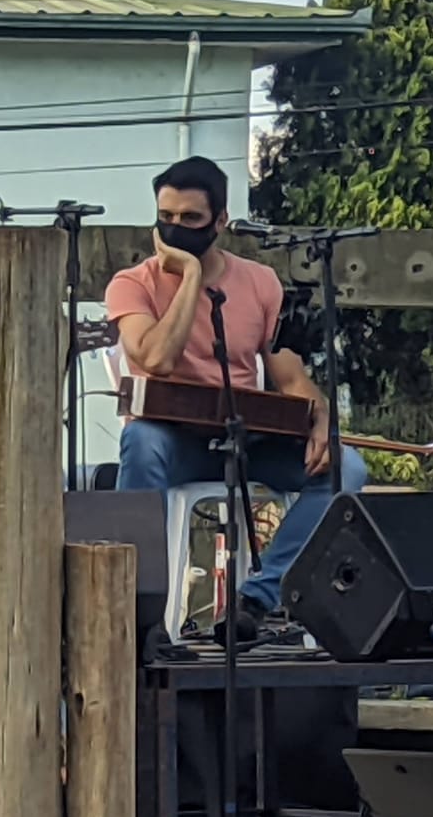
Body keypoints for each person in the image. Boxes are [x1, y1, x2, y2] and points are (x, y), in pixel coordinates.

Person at [105, 155, 368, 637]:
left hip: (245, 440)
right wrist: (189, 276)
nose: (175, 227)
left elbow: (289, 376)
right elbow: (157, 358)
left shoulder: (260, 282)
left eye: (191, 218)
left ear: (220, 221)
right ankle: (138, 611)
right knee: (139, 442)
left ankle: (258, 598)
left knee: (346, 469)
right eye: (166, 217)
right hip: (171, 440)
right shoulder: (131, 284)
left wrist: (321, 417)